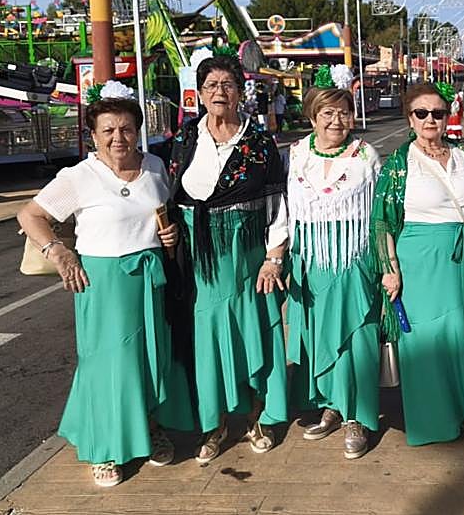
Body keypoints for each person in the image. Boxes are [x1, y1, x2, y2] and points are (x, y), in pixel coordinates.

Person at [17, 83, 188, 487]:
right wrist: (59, 252)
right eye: (108, 130)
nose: (118, 138)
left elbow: (163, 216)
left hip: (150, 277)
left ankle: (149, 427)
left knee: (150, 359)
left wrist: (171, 235)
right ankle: (104, 448)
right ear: (93, 135)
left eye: (126, 129)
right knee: (107, 365)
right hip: (104, 281)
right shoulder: (78, 176)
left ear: (138, 131)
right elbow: (30, 215)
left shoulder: (155, 167)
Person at [166, 55, 290, 464]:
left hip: (247, 255)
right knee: (207, 340)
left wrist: (274, 257)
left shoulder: (259, 143)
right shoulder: (185, 138)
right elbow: (171, 195)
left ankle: (256, 418)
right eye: (211, 85)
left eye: (228, 84)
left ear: (240, 92)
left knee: (251, 333)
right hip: (199, 259)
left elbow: (277, 204)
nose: (219, 92)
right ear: (200, 94)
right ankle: (214, 425)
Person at [372, 82, 464, 445]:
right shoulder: (399, 164)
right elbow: (382, 221)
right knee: (427, 342)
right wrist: (390, 269)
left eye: (438, 113)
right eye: (422, 113)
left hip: (461, 263)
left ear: (448, 117)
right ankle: (436, 420)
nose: (430, 119)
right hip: (419, 264)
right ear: (410, 119)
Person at [284, 84, 382, 459]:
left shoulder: (366, 155)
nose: (336, 120)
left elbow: (382, 211)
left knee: (357, 338)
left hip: (354, 256)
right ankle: (331, 406)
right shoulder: (296, 154)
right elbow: (283, 207)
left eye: (343, 112)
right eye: (327, 112)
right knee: (320, 334)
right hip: (311, 258)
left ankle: (357, 417)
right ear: (313, 116)